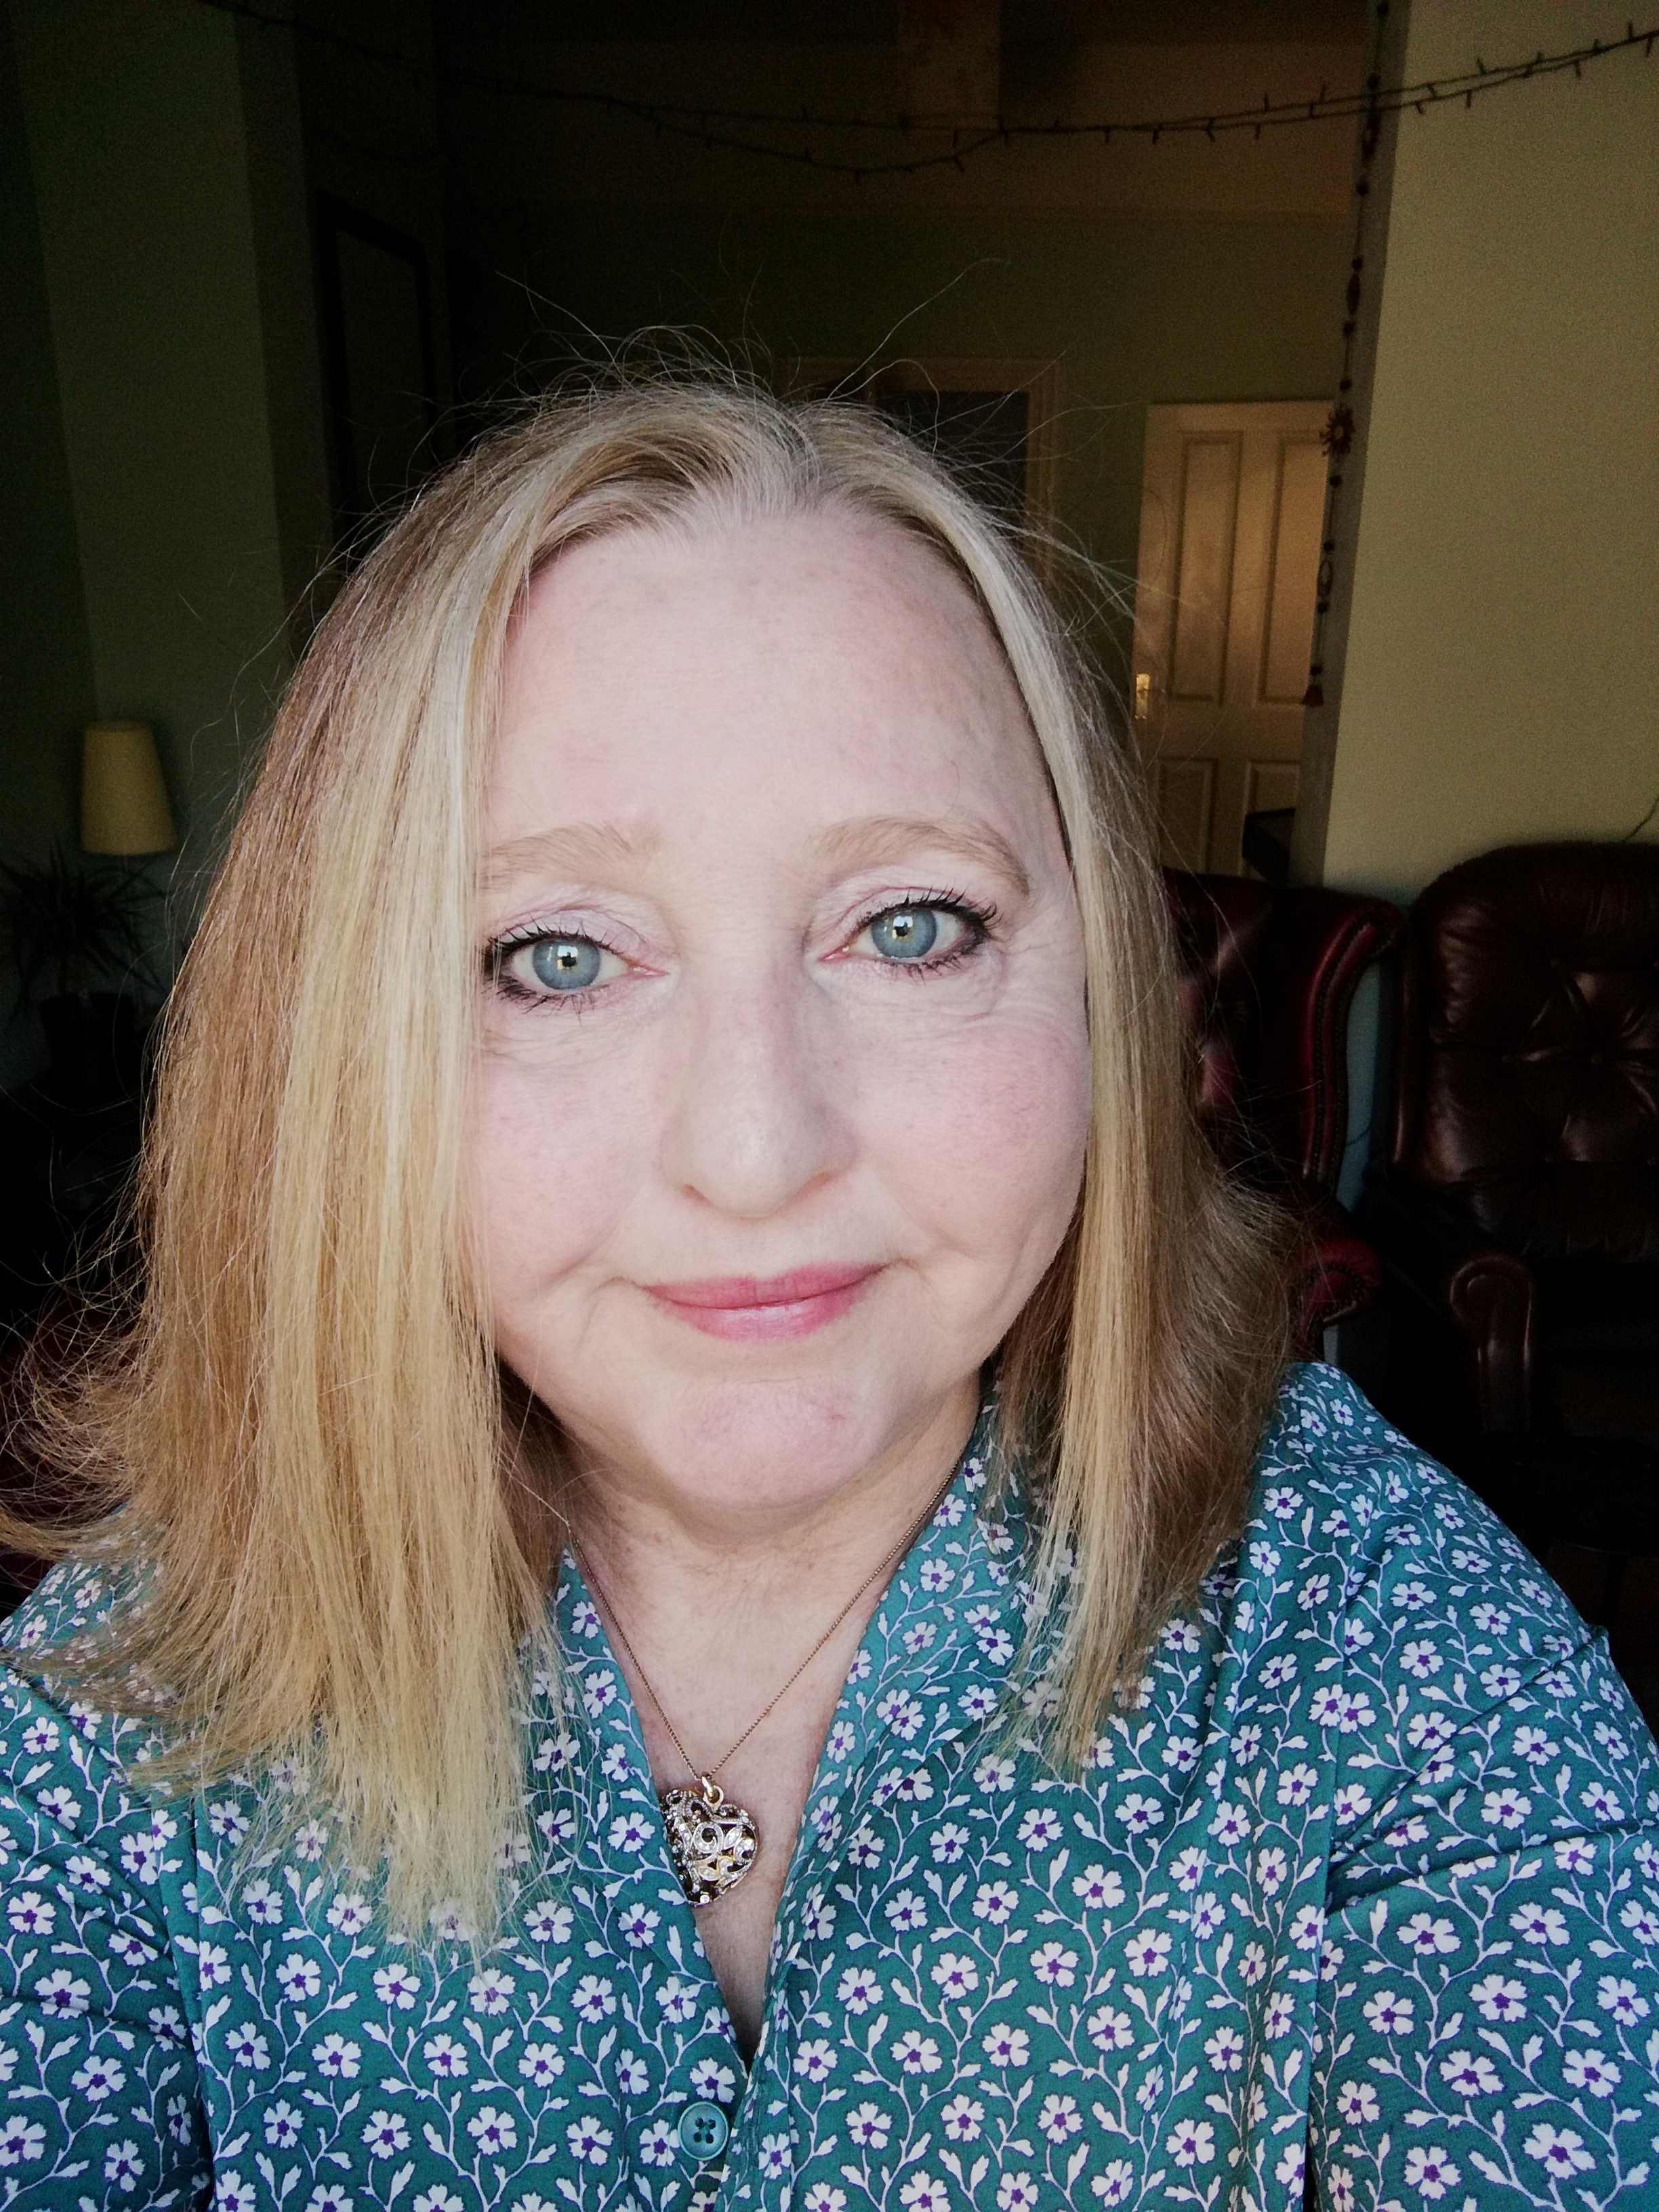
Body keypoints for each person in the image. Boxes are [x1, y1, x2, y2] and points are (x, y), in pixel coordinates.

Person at [1, 379, 1655, 2212]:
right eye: (555, 958)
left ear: (1111, 1001)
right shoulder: (125, 1700)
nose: (756, 1150)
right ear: (338, 1053)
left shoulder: (1405, 1672)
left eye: (912, 927)